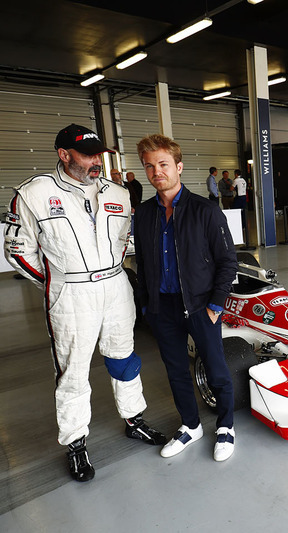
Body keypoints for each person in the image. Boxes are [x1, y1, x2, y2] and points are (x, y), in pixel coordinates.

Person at [3, 124, 165, 482]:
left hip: (116, 285)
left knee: (125, 358)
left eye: (99, 155)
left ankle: (134, 419)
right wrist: (58, 283)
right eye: (87, 155)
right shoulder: (34, 194)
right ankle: (75, 443)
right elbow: (18, 250)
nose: (96, 161)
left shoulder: (119, 194)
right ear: (64, 155)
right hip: (71, 294)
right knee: (73, 373)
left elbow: (124, 242)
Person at [134, 134, 238, 462]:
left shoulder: (206, 211)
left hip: (199, 305)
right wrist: (147, 306)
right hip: (162, 308)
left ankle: (226, 426)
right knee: (176, 370)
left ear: (178, 166)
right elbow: (143, 262)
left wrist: (215, 306)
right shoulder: (145, 214)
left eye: (163, 164)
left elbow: (228, 261)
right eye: (149, 166)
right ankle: (191, 425)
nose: (156, 171)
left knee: (217, 369)